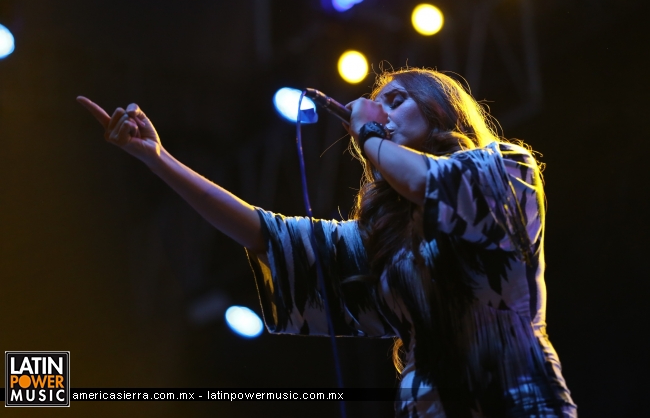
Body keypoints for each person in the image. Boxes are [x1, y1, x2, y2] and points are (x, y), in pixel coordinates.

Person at [78, 68, 577, 417]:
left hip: (515, 399)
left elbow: (428, 183)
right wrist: (159, 159)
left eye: (397, 101)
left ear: (440, 109)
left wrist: (369, 135)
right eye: (378, 107)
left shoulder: (503, 170)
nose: (381, 114)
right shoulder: (386, 240)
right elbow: (266, 232)